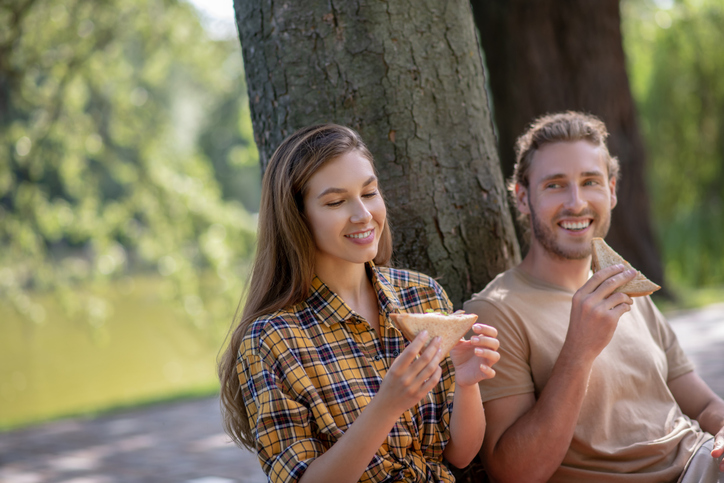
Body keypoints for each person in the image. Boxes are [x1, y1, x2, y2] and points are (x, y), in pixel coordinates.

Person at [218, 124, 500, 483]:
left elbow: (459, 453)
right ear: (296, 217)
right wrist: (386, 406)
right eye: (336, 202)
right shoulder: (271, 339)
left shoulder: (423, 295)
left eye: (369, 193)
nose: (363, 214)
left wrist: (467, 381)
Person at [464, 111, 724, 483]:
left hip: (700, 462)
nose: (576, 203)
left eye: (590, 182)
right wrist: (579, 351)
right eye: (555, 185)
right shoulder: (495, 312)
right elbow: (515, 473)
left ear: (612, 191)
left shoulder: (626, 286)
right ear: (522, 198)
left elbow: (702, 403)